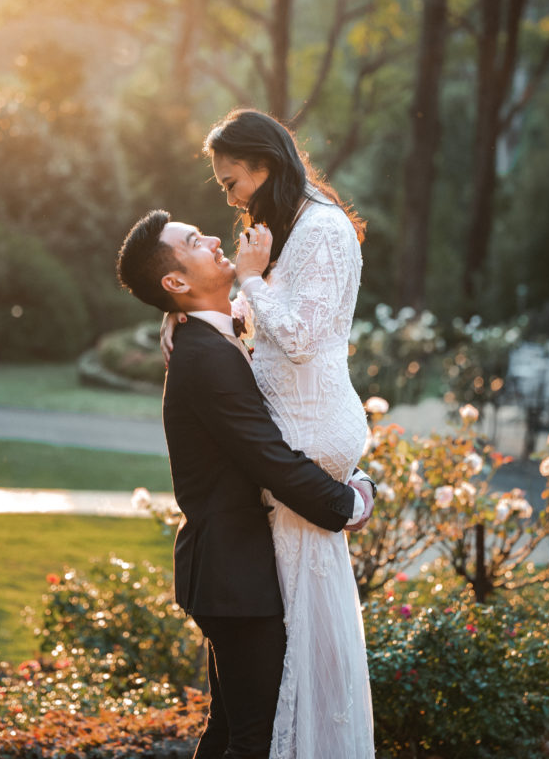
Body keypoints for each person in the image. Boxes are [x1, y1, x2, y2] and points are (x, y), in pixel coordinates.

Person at [116, 209, 374, 759]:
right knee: (252, 740)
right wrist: (344, 504)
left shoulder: (209, 337)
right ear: (175, 283)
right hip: (236, 577)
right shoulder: (204, 356)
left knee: (234, 731)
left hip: (233, 573)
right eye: (193, 240)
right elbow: (267, 456)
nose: (212, 238)